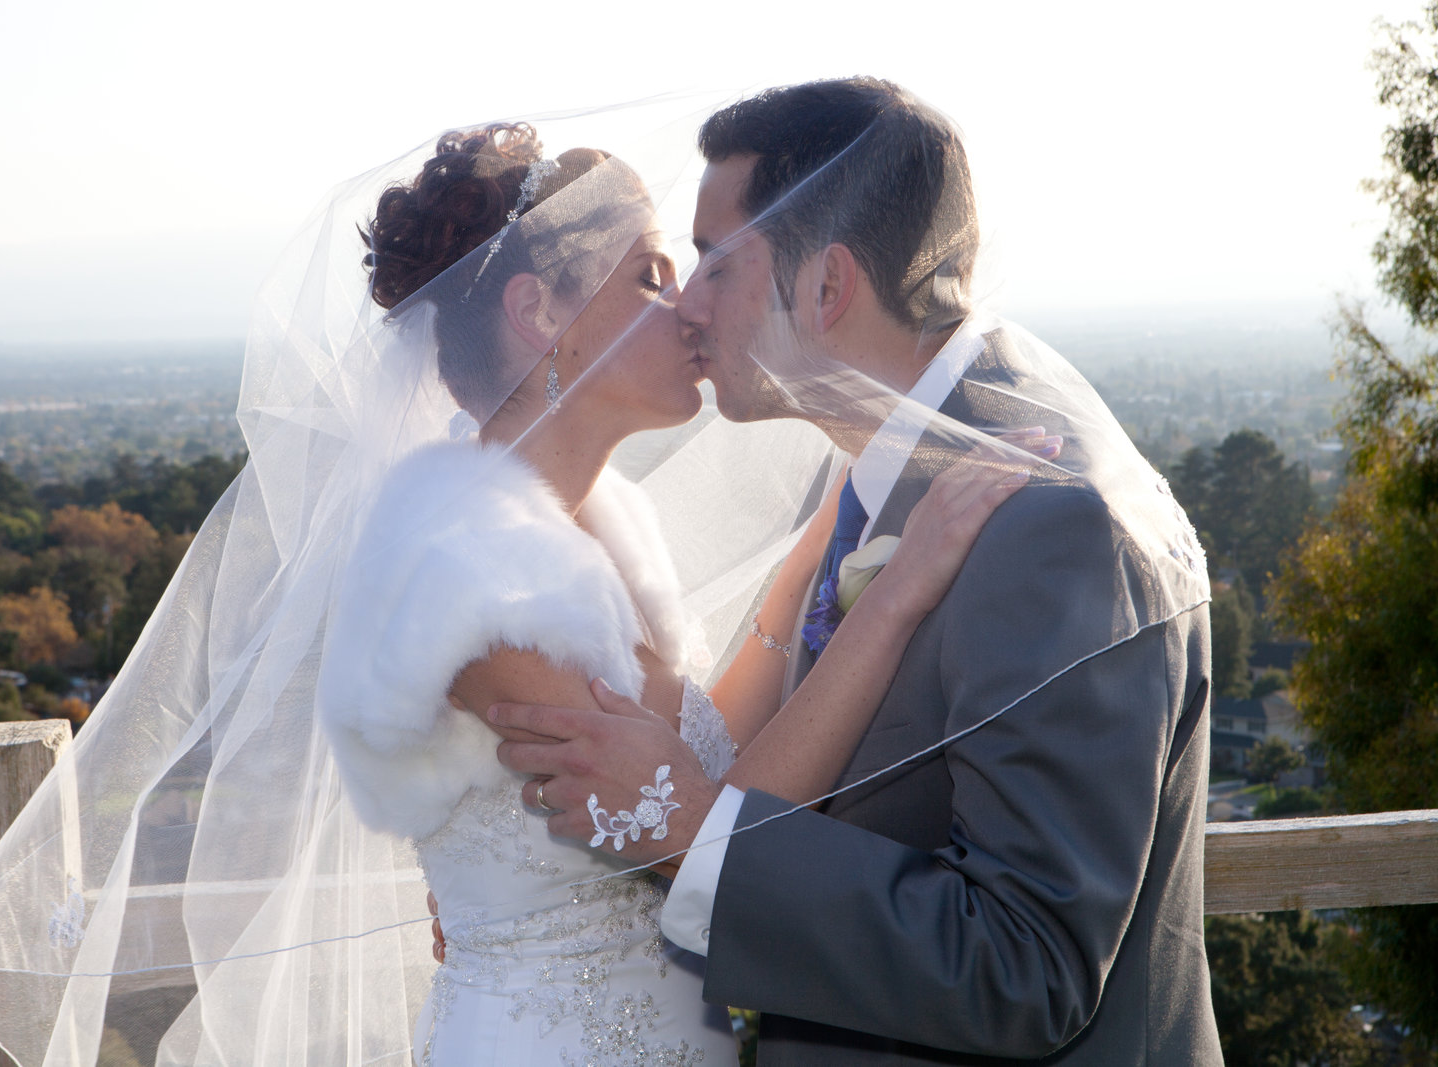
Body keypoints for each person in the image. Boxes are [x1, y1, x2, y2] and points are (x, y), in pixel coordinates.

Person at [0, 103, 1043, 1066]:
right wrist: (893, 600)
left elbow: (712, 748)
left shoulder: (595, 528)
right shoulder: (475, 579)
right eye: (654, 278)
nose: (694, 306)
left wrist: (838, 530)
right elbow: (713, 844)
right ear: (540, 315)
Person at [491, 78, 1222, 1064]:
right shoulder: (881, 467)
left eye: (713, 263)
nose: (685, 306)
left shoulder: (1050, 521)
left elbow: (1028, 966)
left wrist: (702, 833)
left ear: (826, 286)